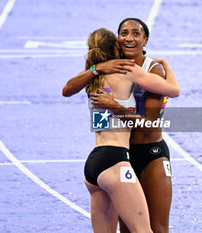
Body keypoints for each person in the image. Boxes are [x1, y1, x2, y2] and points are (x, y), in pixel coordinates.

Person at [63, 18, 176, 233]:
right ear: (116, 43)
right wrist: (167, 66)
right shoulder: (126, 70)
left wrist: (96, 68)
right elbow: (174, 90)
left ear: (146, 40)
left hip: (99, 162)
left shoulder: (94, 75)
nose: (128, 38)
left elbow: (67, 89)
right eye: (123, 34)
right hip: (118, 160)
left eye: (135, 33)